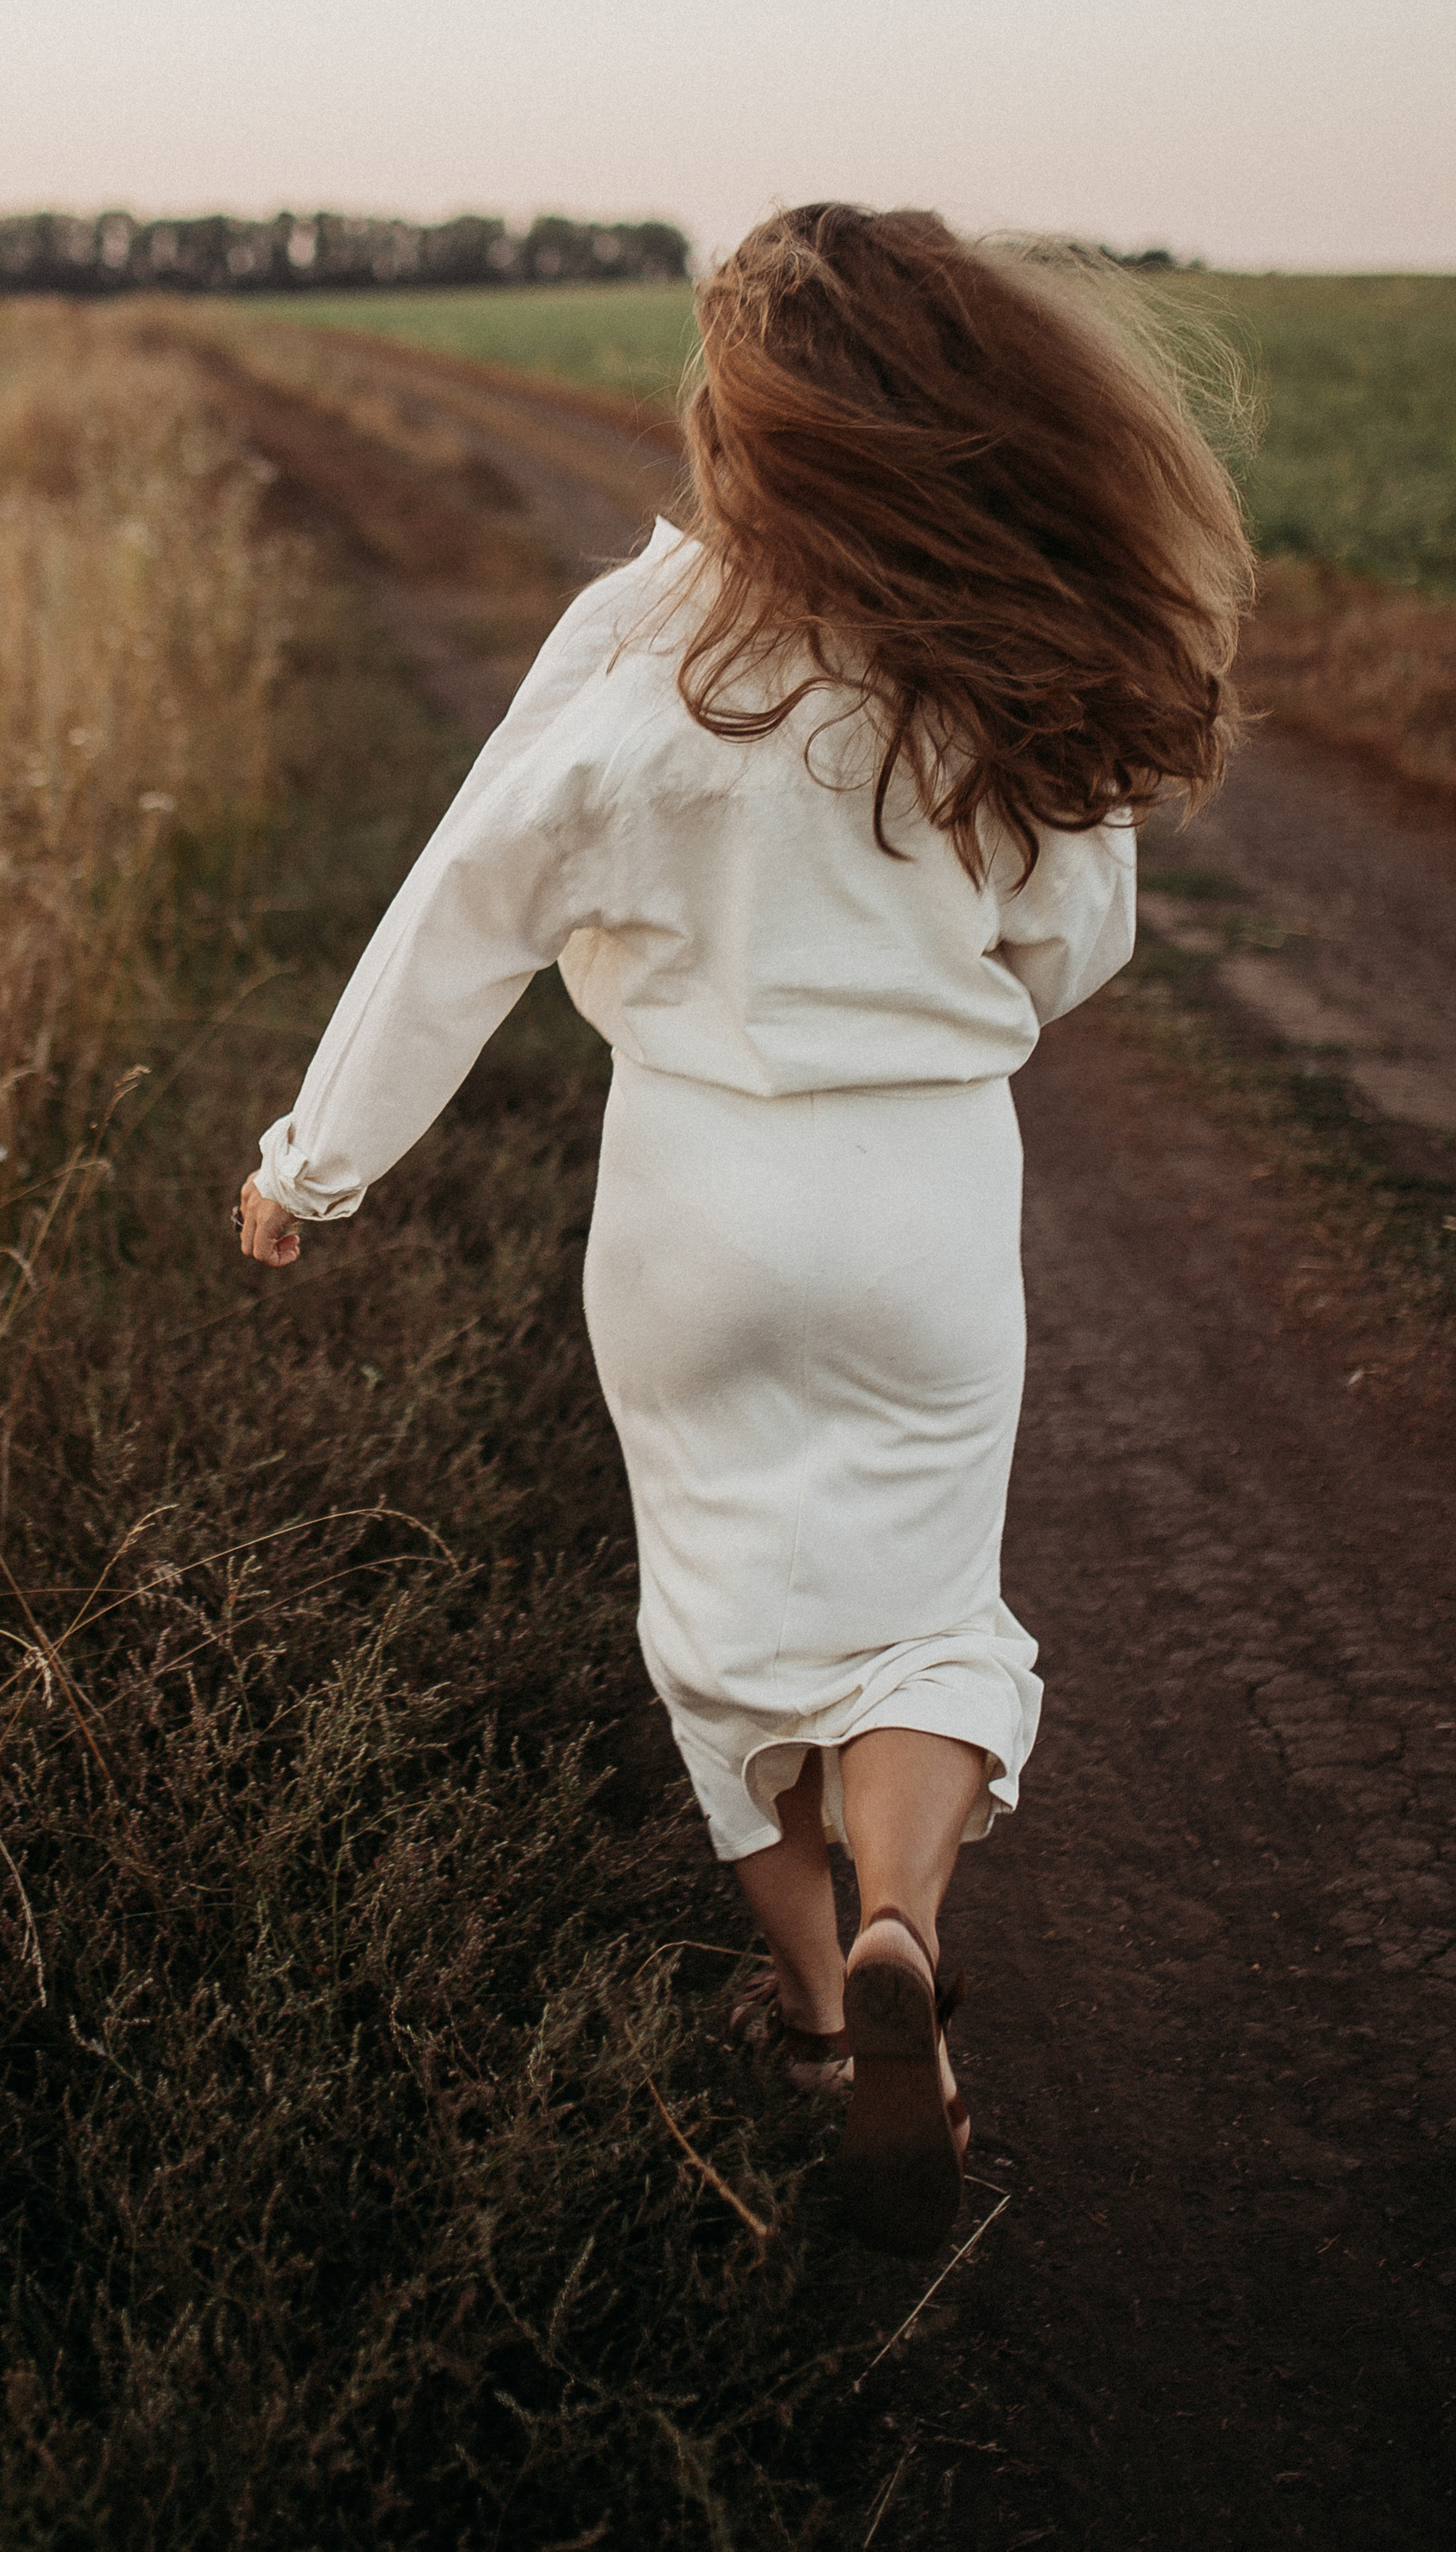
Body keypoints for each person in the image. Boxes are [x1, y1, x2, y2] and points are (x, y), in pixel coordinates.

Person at [233, 203, 1251, 2256]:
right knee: (921, 1611)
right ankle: (900, 1918)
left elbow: (457, 919)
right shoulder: (1005, 679)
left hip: (688, 1200)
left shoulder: (635, 670)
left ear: (747, 430)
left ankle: (816, 2007)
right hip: (924, 1192)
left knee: (716, 1642)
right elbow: (1077, 944)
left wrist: (310, 1159)